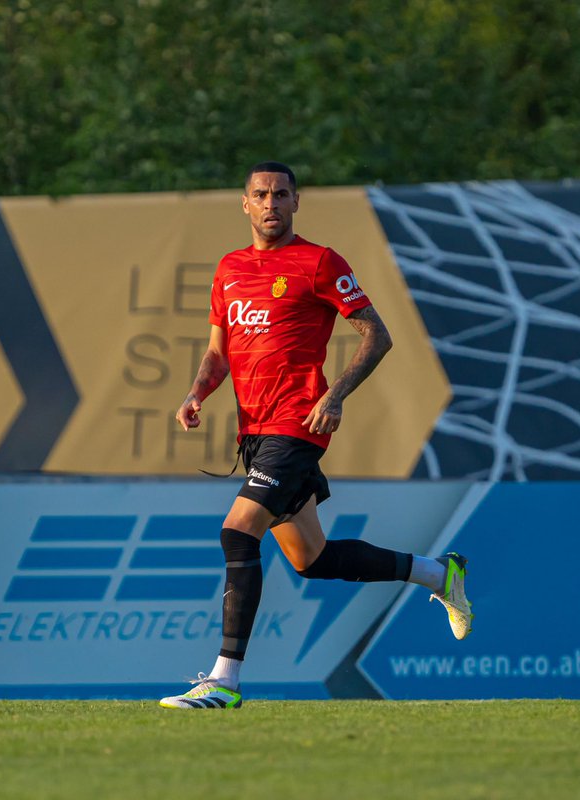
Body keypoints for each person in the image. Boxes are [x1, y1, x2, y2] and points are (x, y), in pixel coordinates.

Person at [159, 162, 472, 710]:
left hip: (297, 424)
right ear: (245, 203)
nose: (271, 203)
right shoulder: (230, 269)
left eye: (282, 194)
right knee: (312, 559)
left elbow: (377, 334)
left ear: (296, 202)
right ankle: (437, 574)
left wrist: (336, 395)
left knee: (237, 534)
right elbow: (218, 351)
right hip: (255, 433)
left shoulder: (319, 262)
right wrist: (195, 394)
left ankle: (224, 681)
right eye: (261, 195)